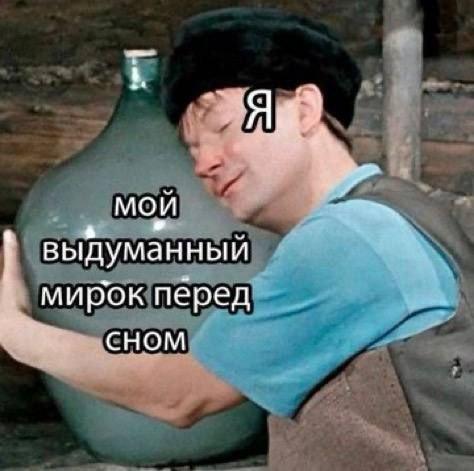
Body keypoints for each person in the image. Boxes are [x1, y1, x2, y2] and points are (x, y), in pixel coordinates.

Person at [0, 7, 472, 470]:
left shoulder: (346, 240)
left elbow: (180, 394)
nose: (204, 163)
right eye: (192, 150)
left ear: (305, 109)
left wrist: (17, 334)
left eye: (225, 128)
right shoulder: (400, 209)